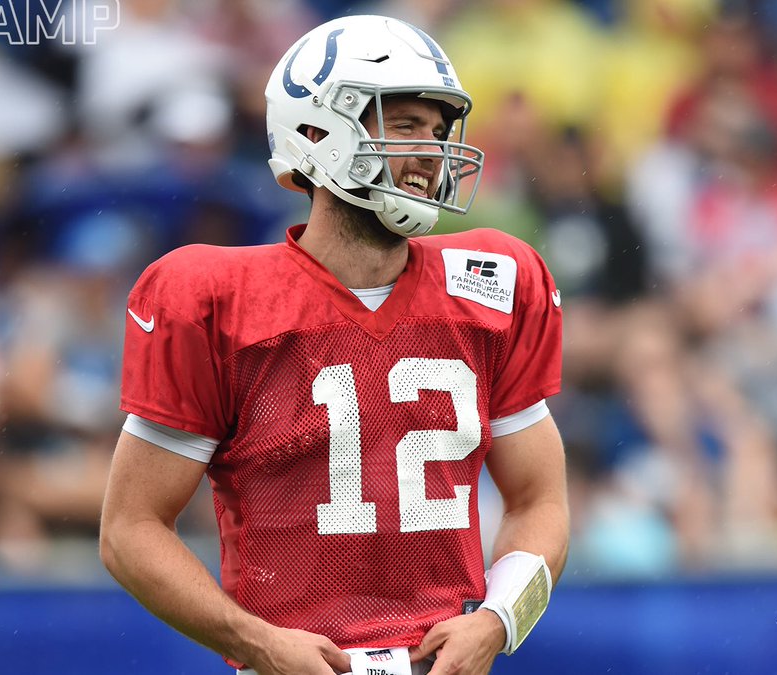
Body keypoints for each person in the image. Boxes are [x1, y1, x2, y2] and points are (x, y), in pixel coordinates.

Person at [99, 15, 569, 675]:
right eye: (404, 126)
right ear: (316, 133)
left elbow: (540, 499)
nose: (431, 154)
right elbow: (130, 530)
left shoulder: (491, 284)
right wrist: (255, 639)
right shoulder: (217, 299)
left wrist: (495, 620)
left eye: (438, 132)